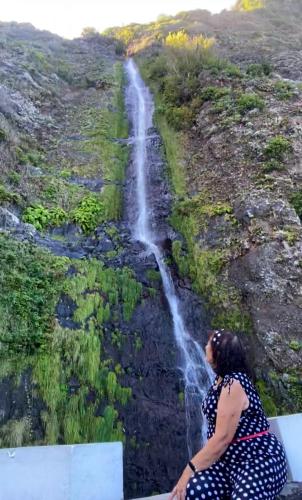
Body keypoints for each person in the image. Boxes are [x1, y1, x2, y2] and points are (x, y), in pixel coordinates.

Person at [168, 329, 287, 500]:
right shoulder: (220, 380)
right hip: (227, 463)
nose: (205, 345)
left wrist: (188, 470)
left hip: (256, 459)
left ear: (218, 353)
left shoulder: (234, 383)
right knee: (194, 490)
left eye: (209, 343)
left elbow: (223, 438)